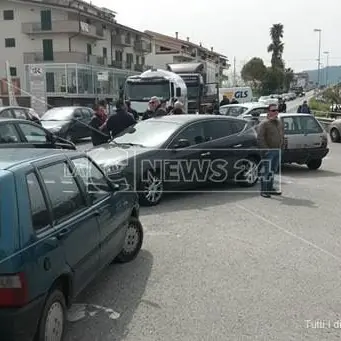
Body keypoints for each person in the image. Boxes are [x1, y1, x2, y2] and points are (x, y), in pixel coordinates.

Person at [257, 104, 284, 198]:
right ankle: (264, 190)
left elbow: (281, 135)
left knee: (273, 171)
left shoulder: (279, 122)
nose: (276, 112)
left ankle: (270, 188)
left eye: (277, 110)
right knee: (266, 171)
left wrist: (282, 145)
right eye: (273, 110)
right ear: (268, 112)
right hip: (268, 152)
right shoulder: (264, 124)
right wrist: (266, 149)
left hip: (277, 150)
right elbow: (260, 138)